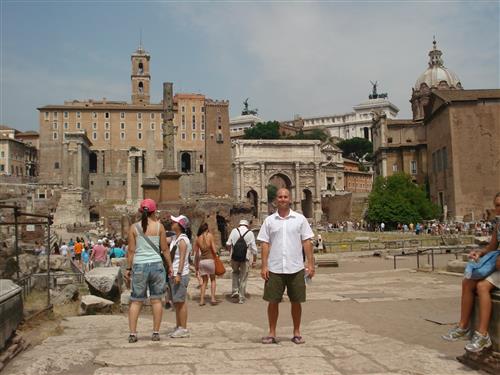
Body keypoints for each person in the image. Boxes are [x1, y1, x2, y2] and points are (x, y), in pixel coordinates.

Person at [442, 192, 500, 352]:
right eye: (496, 205)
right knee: (467, 282)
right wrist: (480, 253)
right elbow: (492, 247)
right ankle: (463, 327)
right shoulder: (498, 224)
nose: (498, 209)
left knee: (482, 286)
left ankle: (482, 335)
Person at [257, 188, 315, 345]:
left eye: (285, 196)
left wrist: (310, 263)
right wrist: (264, 266)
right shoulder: (269, 221)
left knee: (296, 301)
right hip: (275, 267)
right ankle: (272, 332)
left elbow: (307, 242)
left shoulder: (300, 219)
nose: (282, 199)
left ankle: (297, 333)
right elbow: (265, 244)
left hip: (295, 267)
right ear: (276, 199)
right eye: (280, 197)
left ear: (290, 199)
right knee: (272, 301)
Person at [126, 199, 172, 343]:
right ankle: (156, 332)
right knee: (156, 300)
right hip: (156, 265)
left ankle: (133, 334)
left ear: (140, 211)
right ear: (154, 211)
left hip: (139, 265)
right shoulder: (159, 227)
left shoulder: (134, 228)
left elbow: (131, 251)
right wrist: (170, 266)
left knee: (136, 301)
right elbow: (165, 249)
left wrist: (128, 268)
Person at [169, 215, 192, 338]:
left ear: (180, 226)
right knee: (176, 302)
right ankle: (178, 326)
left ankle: (183, 328)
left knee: (181, 302)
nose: (172, 223)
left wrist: (178, 274)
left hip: (181, 274)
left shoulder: (183, 240)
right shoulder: (174, 238)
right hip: (174, 273)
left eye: (175, 222)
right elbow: (161, 240)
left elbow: (182, 259)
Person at [226, 219, 258, 304]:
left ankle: (235, 290)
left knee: (235, 272)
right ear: (247, 225)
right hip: (245, 258)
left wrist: (231, 252)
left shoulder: (234, 231)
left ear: (239, 225)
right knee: (243, 277)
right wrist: (254, 260)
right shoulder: (250, 233)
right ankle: (241, 297)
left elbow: (228, 244)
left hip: (234, 257)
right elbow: (254, 249)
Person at [193, 223, 218, 306]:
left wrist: (196, 265)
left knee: (204, 281)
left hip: (202, 262)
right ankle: (213, 298)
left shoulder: (197, 238)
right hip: (210, 260)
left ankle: (201, 300)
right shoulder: (210, 236)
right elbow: (214, 250)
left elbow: (196, 253)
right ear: (207, 229)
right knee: (213, 279)